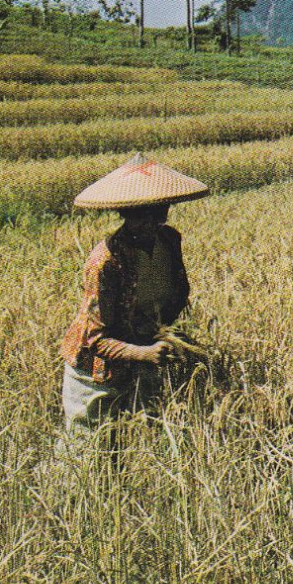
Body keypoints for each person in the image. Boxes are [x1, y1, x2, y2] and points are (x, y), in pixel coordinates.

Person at [58, 153, 209, 433]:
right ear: (126, 213)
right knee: (90, 450)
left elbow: (176, 295)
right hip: (96, 372)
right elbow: (95, 340)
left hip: (144, 358)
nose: (151, 222)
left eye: (158, 212)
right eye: (141, 215)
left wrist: (170, 337)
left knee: (138, 440)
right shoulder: (105, 261)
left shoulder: (169, 241)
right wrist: (144, 353)